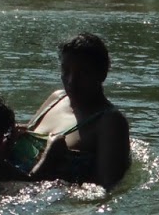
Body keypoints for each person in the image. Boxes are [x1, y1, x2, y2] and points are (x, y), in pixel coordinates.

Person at [21, 32, 131, 190]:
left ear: (102, 74)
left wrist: (53, 160)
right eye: (66, 71)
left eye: (83, 73)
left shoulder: (110, 122)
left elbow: (107, 190)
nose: (71, 81)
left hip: (56, 202)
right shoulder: (56, 98)